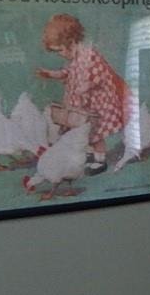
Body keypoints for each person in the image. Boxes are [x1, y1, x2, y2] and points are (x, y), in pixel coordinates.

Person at [35, 13, 128, 176]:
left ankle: (100, 161)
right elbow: (67, 72)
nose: (60, 54)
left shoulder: (89, 55)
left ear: (70, 42)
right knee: (83, 133)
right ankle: (89, 156)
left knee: (96, 134)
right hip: (81, 106)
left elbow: (102, 76)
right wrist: (51, 74)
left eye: (60, 50)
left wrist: (86, 85)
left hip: (96, 106)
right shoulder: (74, 59)